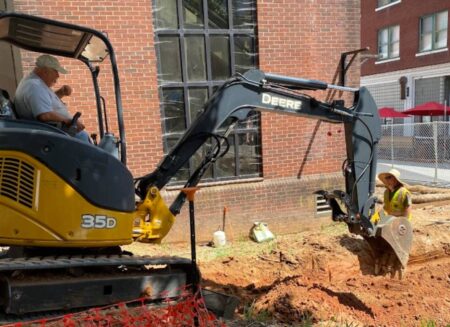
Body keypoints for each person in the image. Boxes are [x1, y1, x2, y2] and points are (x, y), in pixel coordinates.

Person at [14, 54, 90, 143]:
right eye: (55, 71)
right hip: (53, 132)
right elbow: (45, 115)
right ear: (45, 71)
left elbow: (44, 102)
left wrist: (60, 93)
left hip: (54, 130)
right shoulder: (34, 86)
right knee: (83, 136)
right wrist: (69, 121)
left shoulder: (34, 83)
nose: (58, 75)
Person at [373, 168, 412, 277]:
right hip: (390, 220)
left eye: (389, 177)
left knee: (396, 243)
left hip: (400, 222)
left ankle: (394, 264)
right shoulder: (386, 192)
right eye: (386, 178)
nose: (387, 180)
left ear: (395, 179)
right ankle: (382, 260)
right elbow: (385, 208)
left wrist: (404, 224)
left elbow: (408, 208)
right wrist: (376, 217)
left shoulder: (404, 192)